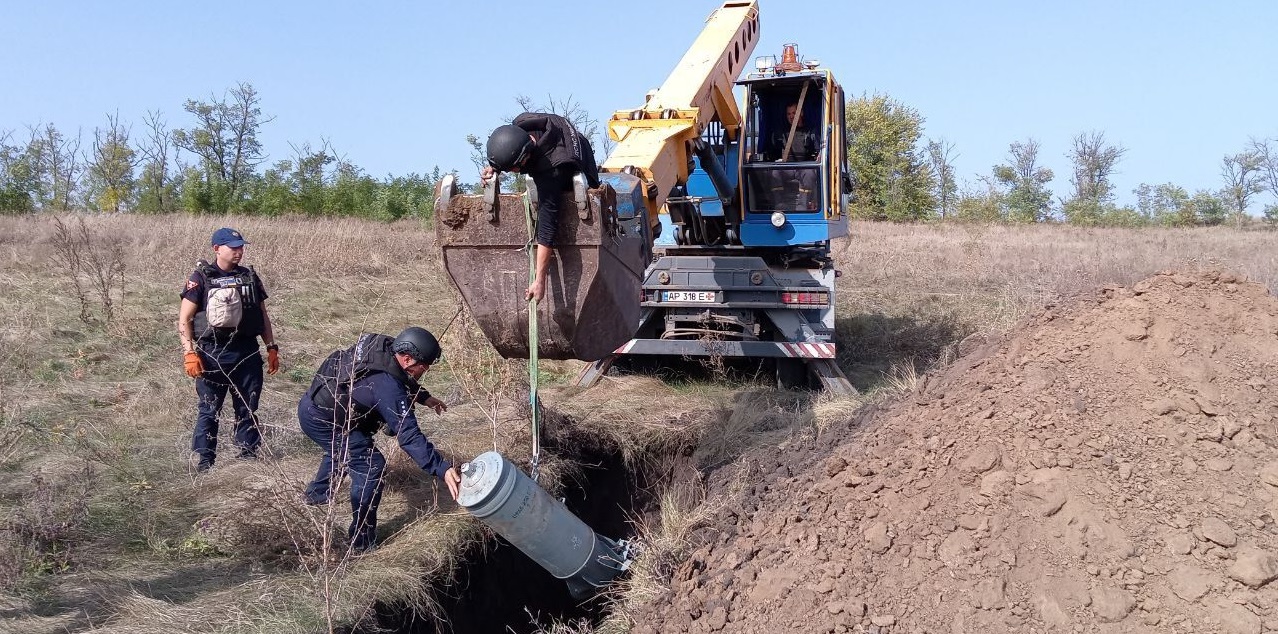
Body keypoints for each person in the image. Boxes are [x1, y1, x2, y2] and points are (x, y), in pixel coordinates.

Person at [297, 327, 461, 554]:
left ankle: (317, 494)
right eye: (424, 366)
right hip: (323, 419)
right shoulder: (387, 386)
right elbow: (409, 435)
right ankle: (361, 541)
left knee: (347, 450)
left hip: (324, 408)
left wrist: (423, 397)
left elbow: (400, 374)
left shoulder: (388, 348)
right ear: (407, 358)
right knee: (369, 465)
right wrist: (441, 468)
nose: (426, 369)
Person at [177, 227, 279, 472]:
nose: (239, 252)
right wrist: (189, 352)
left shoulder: (249, 276)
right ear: (216, 249)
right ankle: (204, 460)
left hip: (247, 350)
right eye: (233, 248)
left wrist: (271, 347)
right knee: (210, 408)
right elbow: (184, 318)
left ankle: (247, 453)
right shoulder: (201, 277)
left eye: (241, 247)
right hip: (213, 353)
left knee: (248, 405)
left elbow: (262, 314)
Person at [481, 112, 600, 302]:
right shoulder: (521, 124)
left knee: (578, 203)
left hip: (579, 161)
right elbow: (507, 145)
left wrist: (540, 279)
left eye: (514, 168)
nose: (513, 173)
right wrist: (495, 166)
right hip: (553, 143)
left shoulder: (551, 168)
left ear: (526, 155)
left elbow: (547, 225)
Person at [762, 102, 823, 210]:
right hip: (786, 167)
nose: (791, 116)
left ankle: (802, 206)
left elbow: (819, 152)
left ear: (802, 113)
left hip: (804, 167)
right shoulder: (781, 132)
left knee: (809, 173)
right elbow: (772, 150)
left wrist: (818, 157)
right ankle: (779, 204)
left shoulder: (810, 131)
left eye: (794, 113)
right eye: (788, 114)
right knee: (774, 171)